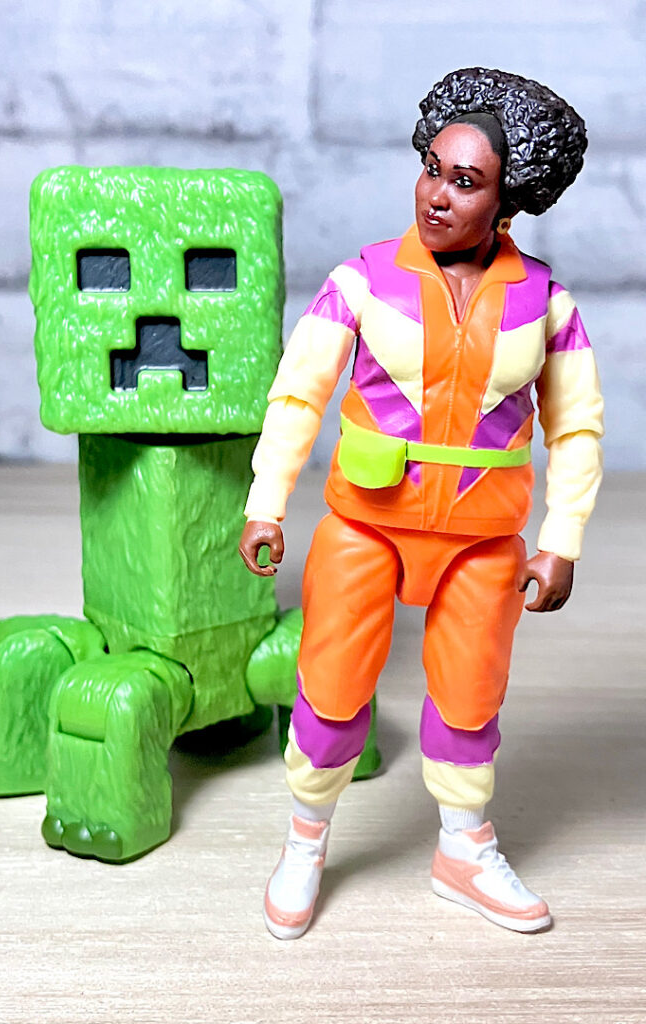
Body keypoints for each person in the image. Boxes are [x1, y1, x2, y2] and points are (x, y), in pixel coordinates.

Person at [239, 67, 604, 938]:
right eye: (432, 169)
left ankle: (463, 848)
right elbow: (298, 395)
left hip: (482, 540)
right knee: (331, 690)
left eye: (465, 181)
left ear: (507, 200)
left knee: (470, 698)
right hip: (367, 527)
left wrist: (562, 539)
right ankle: (305, 841)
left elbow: (577, 427)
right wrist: (267, 502)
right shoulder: (362, 280)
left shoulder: (546, 303)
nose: (437, 194)